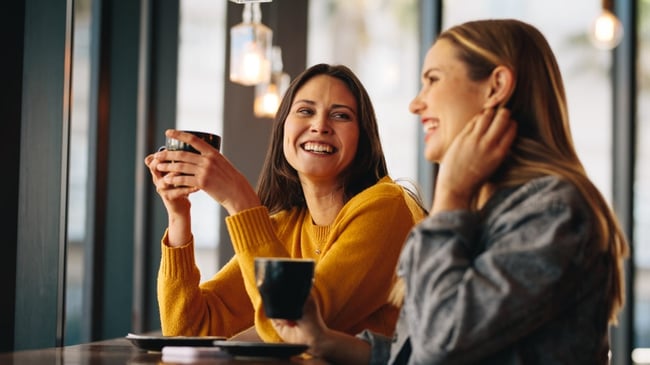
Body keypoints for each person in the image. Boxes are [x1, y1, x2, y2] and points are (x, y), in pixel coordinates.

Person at [270, 19, 629, 364]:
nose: (416, 103)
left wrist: (450, 197)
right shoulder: (488, 209)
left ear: (495, 86)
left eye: (433, 81)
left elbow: (442, 346)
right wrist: (324, 341)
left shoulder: (552, 211)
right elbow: (418, 352)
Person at [144, 63, 426, 343]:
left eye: (341, 115)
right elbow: (188, 331)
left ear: (363, 138)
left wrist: (239, 200)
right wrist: (178, 215)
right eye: (305, 111)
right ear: (282, 130)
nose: (320, 126)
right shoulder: (285, 227)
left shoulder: (385, 207)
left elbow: (295, 327)